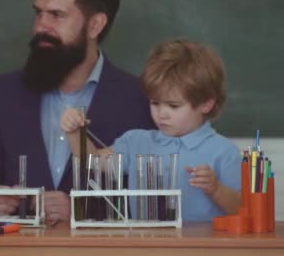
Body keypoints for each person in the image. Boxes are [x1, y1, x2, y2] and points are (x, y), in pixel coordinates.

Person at [0, 0, 155, 223]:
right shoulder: (5, 91)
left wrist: (84, 211)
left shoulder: (140, 98)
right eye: (38, 13)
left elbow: (153, 200)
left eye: (56, 15)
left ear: (95, 25)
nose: (40, 27)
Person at [60, 39, 242, 221]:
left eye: (173, 106)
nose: (161, 114)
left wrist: (216, 189)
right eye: (155, 103)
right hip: (146, 246)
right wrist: (75, 133)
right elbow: (94, 162)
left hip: (201, 249)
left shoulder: (224, 152)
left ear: (206, 104)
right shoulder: (136, 142)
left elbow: (242, 208)